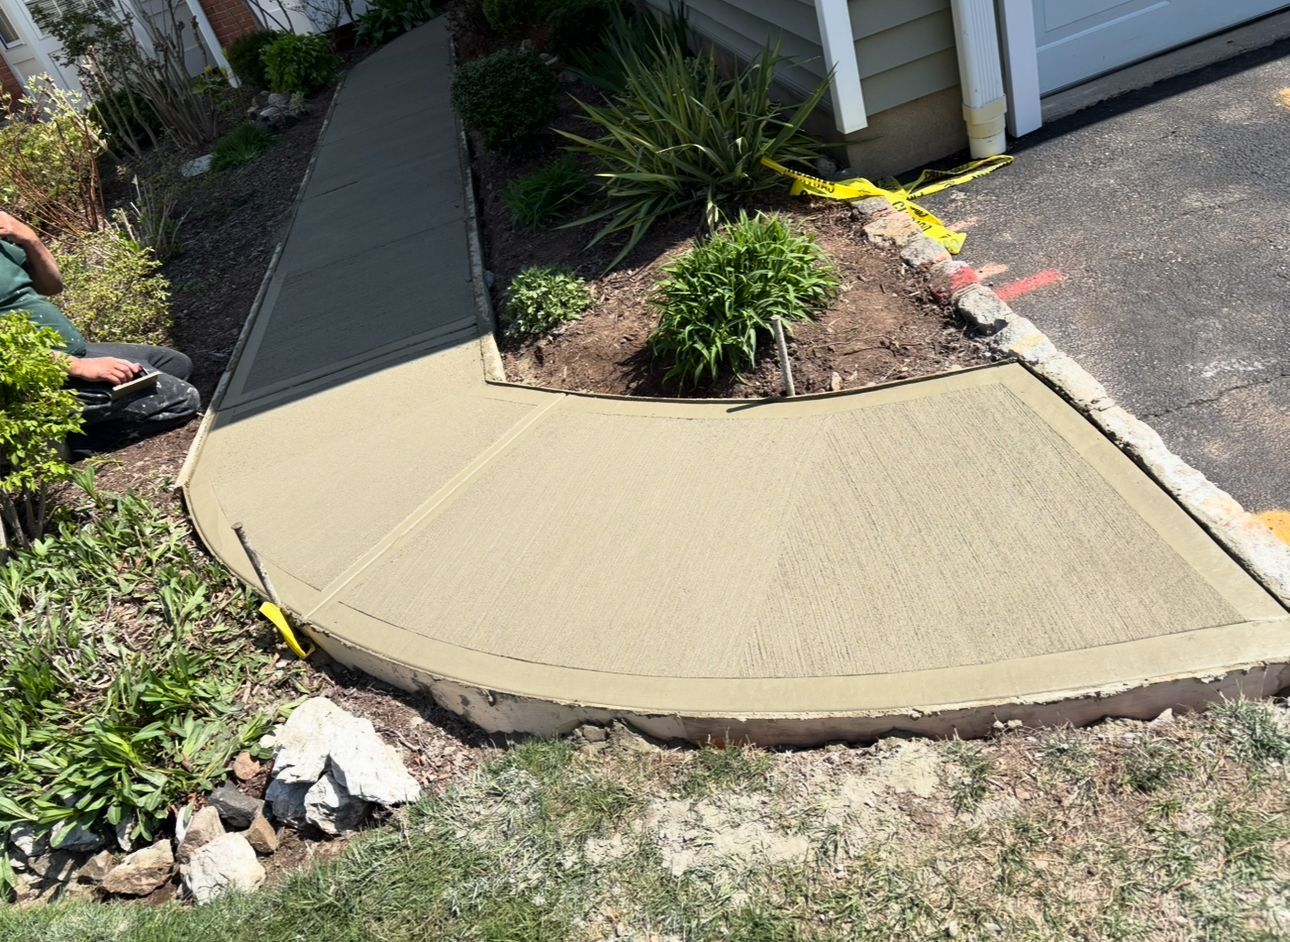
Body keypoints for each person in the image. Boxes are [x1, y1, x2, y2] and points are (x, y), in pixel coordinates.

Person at [0, 210, 199, 453]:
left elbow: (51, 286)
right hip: (33, 373)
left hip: (70, 350)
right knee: (182, 400)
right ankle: (57, 445)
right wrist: (79, 367)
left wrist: (30, 239)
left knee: (175, 365)